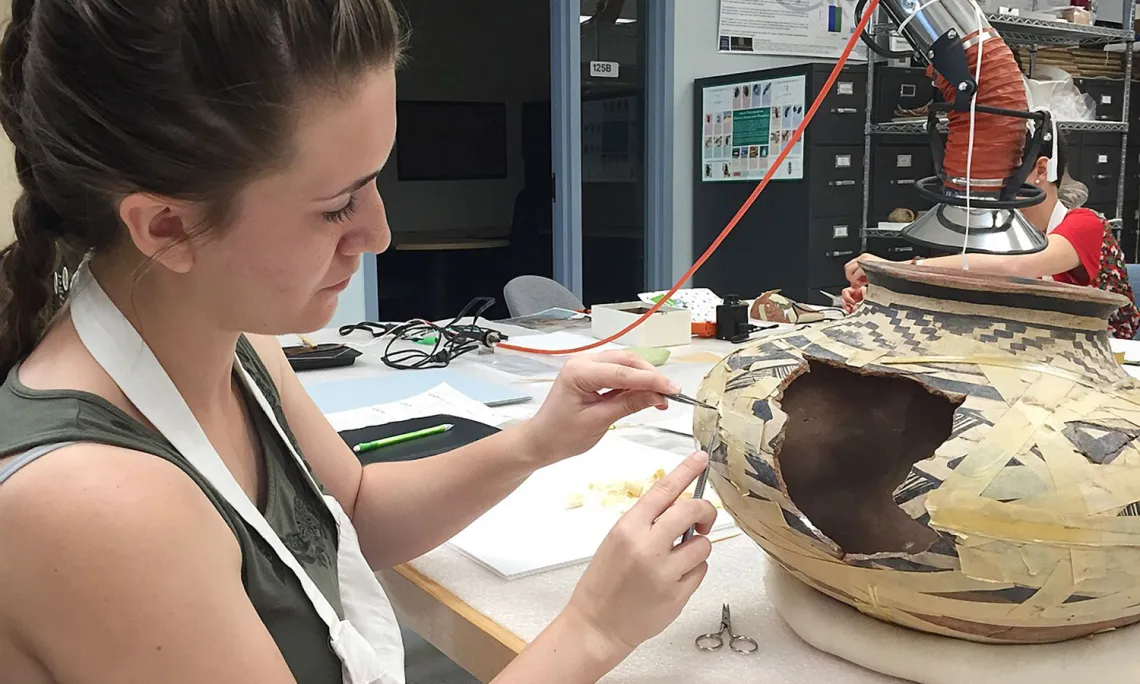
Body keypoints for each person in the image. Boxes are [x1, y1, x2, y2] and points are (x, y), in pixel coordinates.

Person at [0, 2, 717, 683]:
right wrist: (595, 628)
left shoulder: (234, 345)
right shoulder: (94, 504)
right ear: (166, 228)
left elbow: (353, 515)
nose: (378, 234)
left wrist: (538, 441)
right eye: (337, 204)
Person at [842, 134, 1140, 340]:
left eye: (1000, 170)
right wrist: (881, 296)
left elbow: (1019, 268)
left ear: (1040, 169)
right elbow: (963, 283)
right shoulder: (1001, 234)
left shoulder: (1086, 224)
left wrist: (895, 268)